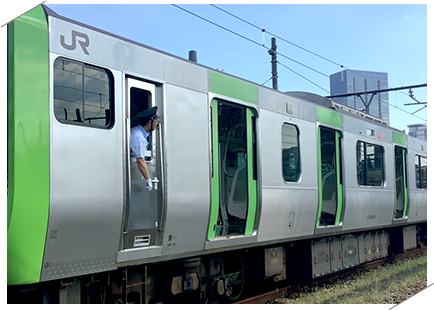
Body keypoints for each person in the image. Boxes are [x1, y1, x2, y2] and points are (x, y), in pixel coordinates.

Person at [130, 106, 159, 191]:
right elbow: (140, 160)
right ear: (150, 123)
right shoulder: (138, 136)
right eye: (156, 122)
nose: (156, 124)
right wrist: (148, 179)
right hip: (135, 175)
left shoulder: (140, 133)